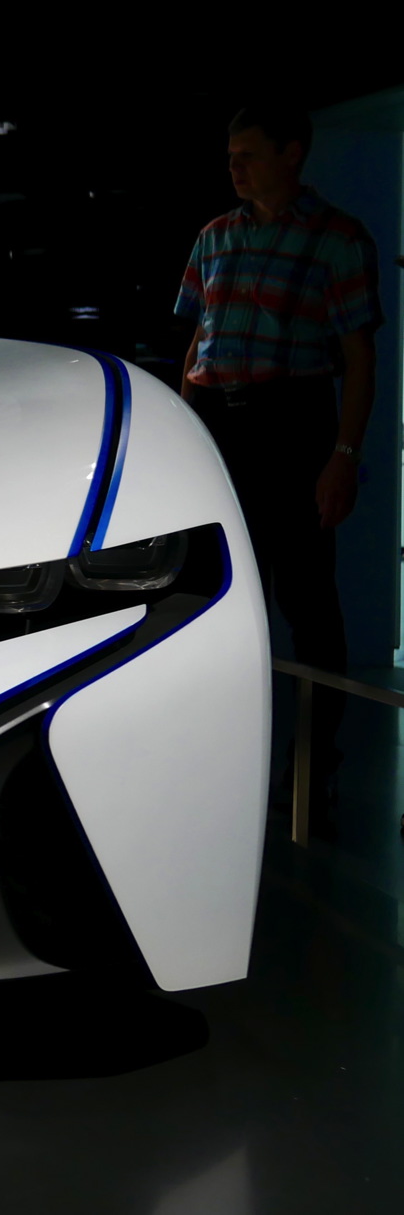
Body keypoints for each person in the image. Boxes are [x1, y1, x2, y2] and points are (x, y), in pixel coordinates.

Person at [176, 103, 381, 837]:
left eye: (250, 154)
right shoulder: (215, 235)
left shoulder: (336, 238)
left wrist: (343, 456)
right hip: (222, 418)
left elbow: (358, 355)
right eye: (231, 155)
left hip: (292, 422)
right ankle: (220, 759)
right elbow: (200, 336)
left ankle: (312, 763)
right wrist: (186, 429)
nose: (235, 167)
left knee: (305, 598)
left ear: (292, 154)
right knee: (216, 595)